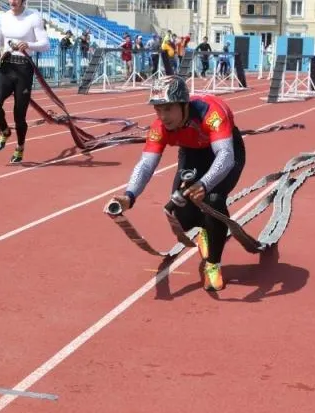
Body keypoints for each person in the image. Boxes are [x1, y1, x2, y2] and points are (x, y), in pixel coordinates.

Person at [105, 75, 246, 291]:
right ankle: (204, 231)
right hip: (192, 153)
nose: (163, 116)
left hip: (224, 151)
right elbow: (146, 165)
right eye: (158, 110)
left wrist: (205, 184)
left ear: (184, 104)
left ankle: (213, 263)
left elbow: (225, 157)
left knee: (213, 200)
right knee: (181, 211)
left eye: (168, 109)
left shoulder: (211, 114)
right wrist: (129, 196)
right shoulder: (159, 127)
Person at [0, 0, 49, 164]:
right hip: (6, 66)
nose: (12, 2)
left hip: (24, 69)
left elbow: (45, 44)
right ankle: (5, 131)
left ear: (23, 1)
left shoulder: (33, 17)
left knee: (19, 115)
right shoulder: (4, 17)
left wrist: (28, 44)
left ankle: (20, 147)